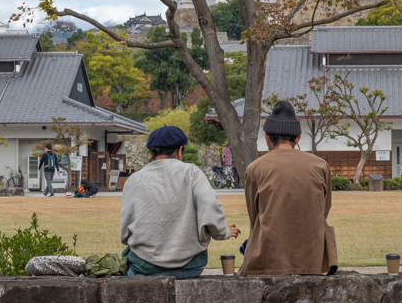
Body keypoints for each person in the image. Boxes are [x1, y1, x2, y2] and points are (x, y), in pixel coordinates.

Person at [120, 126, 239, 279]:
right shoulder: (192, 173)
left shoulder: (135, 179)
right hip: (189, 266)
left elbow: (126, 229)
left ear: (151, 153)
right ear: (180, 150)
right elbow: (210, 206)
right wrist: (223, 231)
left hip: (145, 266)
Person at [239, 100, 337, 276]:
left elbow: (254, 215)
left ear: (267, 137)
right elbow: (324, 208)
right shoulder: (320, 166)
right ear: (298, 138)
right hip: (311, 257)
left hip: (270, 257)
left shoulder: (255, 168)